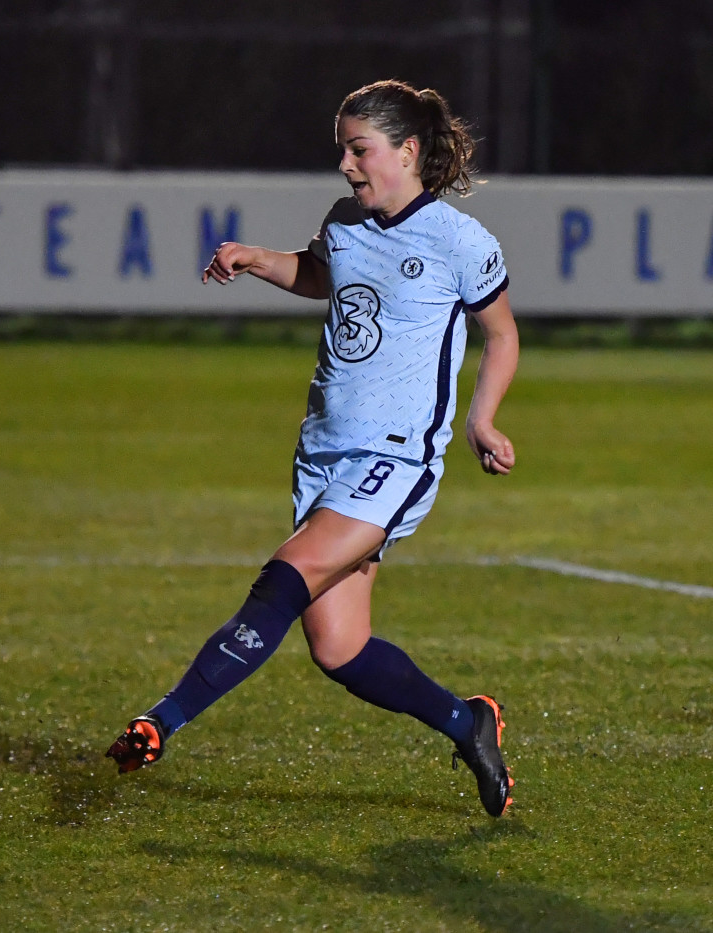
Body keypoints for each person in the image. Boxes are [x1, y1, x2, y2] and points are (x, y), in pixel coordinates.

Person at [106, 79, 520, 818]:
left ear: (408, 150)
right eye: (342, 150)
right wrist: (260, 259)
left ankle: (159, 721)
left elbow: (503, 333)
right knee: (339, 648)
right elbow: (327, 274)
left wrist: (482, 420)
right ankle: (469, 722)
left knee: (285, 577)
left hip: (397, 457)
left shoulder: (461, 241)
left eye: (359, 150)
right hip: (325, 453)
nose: (346, 165)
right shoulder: (347, 221)